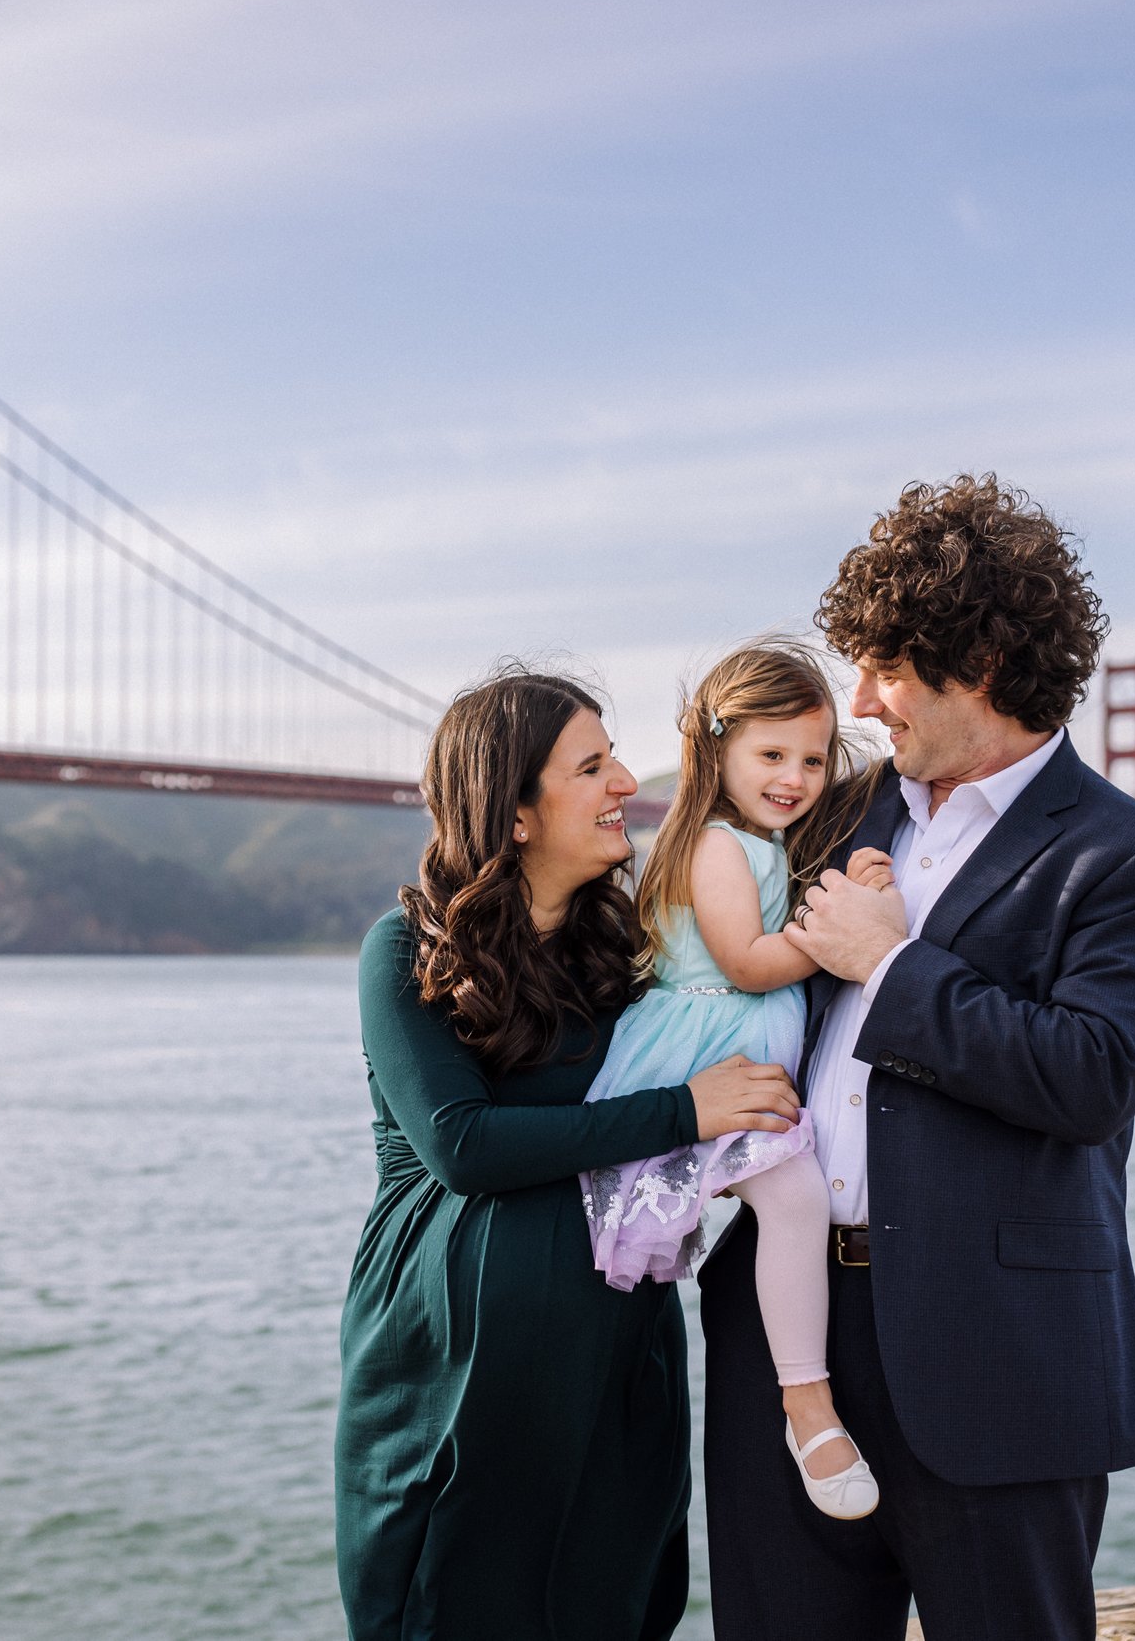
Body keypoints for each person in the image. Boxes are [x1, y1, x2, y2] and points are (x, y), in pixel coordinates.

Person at [699, 475, 1135, 1641]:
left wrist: (891, 970)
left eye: (887, 666)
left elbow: (1091, 1079)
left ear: (977, 665)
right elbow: (697, 923)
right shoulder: (833, 813)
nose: (861, 698)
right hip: (781, 1343)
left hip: (999, 1355)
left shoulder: (1129, 858)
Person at [335, 668, 804, 1641]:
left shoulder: (626, 949)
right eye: (591, 766)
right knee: (452, 1601)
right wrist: (684, 1110)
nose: (626, 782)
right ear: (511, 813)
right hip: (457, 1362)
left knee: (620, 1595)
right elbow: (461, 1145)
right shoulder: (406, 949)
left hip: (619, 1340)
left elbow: (740, 1014)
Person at [579, 642, 884, 1520]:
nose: (795, 777)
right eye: (771, 754)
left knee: (785, 1200)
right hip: (703, 1051)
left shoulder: (762, 841)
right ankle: (806, 1403)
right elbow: (751, 963)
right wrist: (851, 933)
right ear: (718, 752)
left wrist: (850, 883)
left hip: (731, 1056)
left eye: (814, 759)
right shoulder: (717, 844)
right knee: (794, 1199)